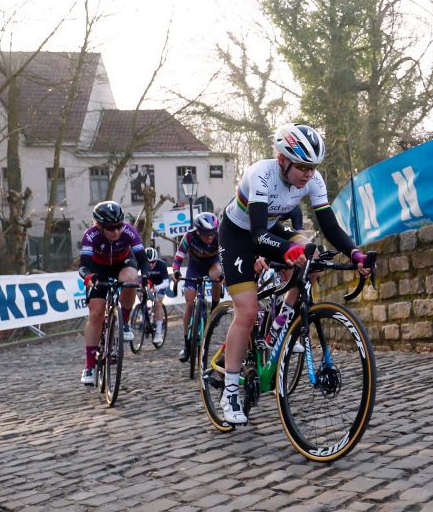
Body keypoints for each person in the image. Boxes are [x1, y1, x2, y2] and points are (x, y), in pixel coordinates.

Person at [218, 123, 371, 424]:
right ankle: (230, 389)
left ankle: (283, 320)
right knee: (247, 312)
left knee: (311, 253)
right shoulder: (260, 173)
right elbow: (257, 233)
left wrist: (355, 253)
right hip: (238, 235)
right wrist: (286, 250)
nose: (308, 174)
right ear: (282, 160)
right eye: (302, 167)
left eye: (312, 167)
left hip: (269, 229)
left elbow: (330, 227)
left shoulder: (313, 180)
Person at [78, 201, 150, 385]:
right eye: (111, 228)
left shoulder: (128, 231)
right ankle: (90, 365)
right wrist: (88, 277)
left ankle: (124, 323)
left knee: (130, 280)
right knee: (95, 313)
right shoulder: (90, 235)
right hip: (98, 269)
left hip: (123, 263)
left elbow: (142, 259)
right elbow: (84, 265)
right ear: (99, 226)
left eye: (119, 226)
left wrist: (146, 277)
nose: (116, 232)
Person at [172, 211, 223, 362]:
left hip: (212, 264)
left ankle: (215, 306)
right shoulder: (189, 236)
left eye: (212, 233)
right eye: (206, 233)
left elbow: (225, 256)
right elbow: (179, 256)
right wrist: (175, 270)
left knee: (216, 275)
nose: (210, 237)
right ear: (198, 231)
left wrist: (224, 275)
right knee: (189, 303)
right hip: (194, 267)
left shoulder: (219, 237)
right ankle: (187, 345)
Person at [144, 247, 170, 344]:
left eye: (153, 262)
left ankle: (158, 333)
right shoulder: (142, 264)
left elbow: (166, 283)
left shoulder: (161, 265)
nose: (151, 264)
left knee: (158, 304)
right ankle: (146, 312)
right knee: (139, 292)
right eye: (148, 262)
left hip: (160, 284)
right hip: (150, 282)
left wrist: (156, 288)